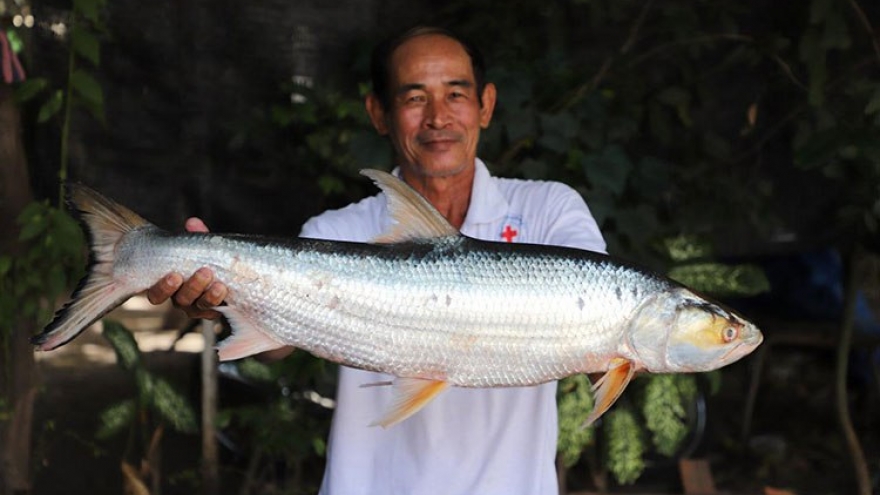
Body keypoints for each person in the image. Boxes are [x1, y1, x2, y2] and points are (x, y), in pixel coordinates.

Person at [147, 26, 606, 495]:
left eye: (455, 94)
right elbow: (277, 343)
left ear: (485, 105)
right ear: (378, 113)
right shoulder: (336, 231)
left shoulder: (551, 210)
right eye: (414, 99)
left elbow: (600, 330)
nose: (438, 117)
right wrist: (220, 296)